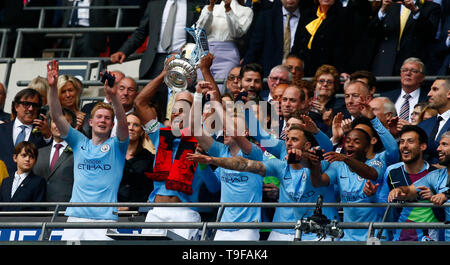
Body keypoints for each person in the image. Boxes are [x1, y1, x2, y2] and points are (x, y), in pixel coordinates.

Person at [187, 124, 339, 241]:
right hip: (278, 231)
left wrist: (307, 151)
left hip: (311, 233)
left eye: (294, 139)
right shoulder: (279, 166)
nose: (289, 143)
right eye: (286, 139)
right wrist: (211, 160)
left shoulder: (321, 163)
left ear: (307, 145)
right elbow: (246, 165)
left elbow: (319, 167)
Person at [47, 60, 129, 241]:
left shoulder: (118, 145)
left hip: (105, 220)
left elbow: (123, 123)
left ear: (111, 124)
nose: (103, 120)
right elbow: (57, 116)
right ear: (90, 122)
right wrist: (52, 88)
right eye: (99, 117)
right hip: (75, 217)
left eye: (107, 118)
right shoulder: (79, 141)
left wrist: (114, 96)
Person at [310, 127, 385, 241]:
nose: (350, 144)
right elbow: (318, 182)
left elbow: (371, 174)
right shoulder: (338, 166)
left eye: (357, 142)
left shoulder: (376, 163)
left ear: (366, 148)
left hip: (374, 234)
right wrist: (314, 166)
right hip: (348, 236)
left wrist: (345, 159)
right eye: (348, 141)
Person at [373, 125, 441, 241]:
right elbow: (382, 209)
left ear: (423, 146)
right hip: (399, 239)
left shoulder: (437, 174)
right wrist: (372, 195)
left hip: (429, 240)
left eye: (410, 141)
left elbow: (444, 214)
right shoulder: (392, 171)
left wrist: (433, 198)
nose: (404, 145)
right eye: (402, 142)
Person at [109, 0, 204, 79]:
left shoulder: (197, 5)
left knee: (178, 99)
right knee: (150, 100)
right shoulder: (154, 4)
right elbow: (141, 32)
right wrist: (124, 51)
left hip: (182, 60)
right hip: (154, 62)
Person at [386, 131, 450, 241]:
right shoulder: (436, 175)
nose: (438, 149)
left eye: (444, 144)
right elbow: (410, 190)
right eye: (439, 144)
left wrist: (446, 195)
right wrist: (399, 191)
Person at [369, 0, 441, 76]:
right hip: (385, 63)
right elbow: (371, 33)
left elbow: (430, 34)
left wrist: (415, 12)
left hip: (411, 66)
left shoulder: (431, 7)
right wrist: (382, 10)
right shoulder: (390, 5)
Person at [195, 0, 253, 94]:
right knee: (201, 88)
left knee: (223, 90)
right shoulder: (207, 8)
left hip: (228, 53)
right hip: (205, 51)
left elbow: (236, 33)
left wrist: (228, 9)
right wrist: (211, 7)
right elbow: (201, 31)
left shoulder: (246, 10)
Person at [291, 0, 355, 77]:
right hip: (305, 69)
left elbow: (345, 47)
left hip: (328, 71)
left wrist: (342, 70)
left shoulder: (345, 14)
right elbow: (297, 44)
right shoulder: (307, 14)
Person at [243, 0, 302, 77]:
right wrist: (243, 72)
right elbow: (254, 49)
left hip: (297, 76)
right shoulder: (266, 17)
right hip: (270, 75)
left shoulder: (310, 18)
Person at [0, 88, 51, 177]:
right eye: (26, 104)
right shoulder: (1, 129)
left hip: (30, 186)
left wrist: (47, 135)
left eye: (35, 105)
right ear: (16, 106)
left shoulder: (43, 132)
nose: (31, 109)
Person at [33, 108, 77, 209]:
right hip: (38, 211)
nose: (58, 125)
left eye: (64, 122)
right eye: (55, 121)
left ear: (73, 126)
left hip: (65, 211)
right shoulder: (39, 152)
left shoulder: (78, 152)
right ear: (49, 124)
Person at [118, 112, 155, 211]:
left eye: (136, 125)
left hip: (137, 214)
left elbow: (149, 189)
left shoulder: (149, 158)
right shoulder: (113, 155)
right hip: (111, 211)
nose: (131, 128)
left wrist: (130, 206)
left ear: (142, 131)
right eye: (127, 124)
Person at [381, 58, 430, 124]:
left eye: (414, 71)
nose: (408, 73)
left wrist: (410, 128)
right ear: (400, 74)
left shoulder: (429, 99)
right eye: (405, 70)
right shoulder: (386, 97)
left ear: (422, 77)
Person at [0, 141, 46, 211]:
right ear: (15, 158)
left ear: (35, 161)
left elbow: (37, 209)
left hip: (25, 221)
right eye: (24, 155)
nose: (27, 159)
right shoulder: (6, 181)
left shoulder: (38, 181)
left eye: (32, 157)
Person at [418, 77, 450, 165]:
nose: (429, 94)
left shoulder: (419, 129)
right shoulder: (423, 125)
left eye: (435, 89)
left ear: (449, 94)